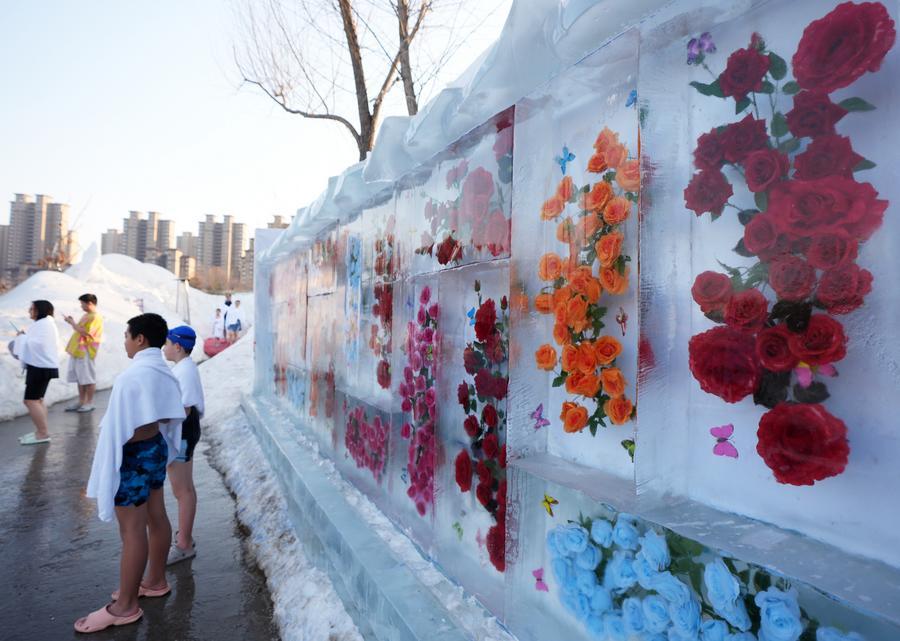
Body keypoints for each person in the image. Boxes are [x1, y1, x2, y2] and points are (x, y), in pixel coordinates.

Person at [75, 313, 186, 634]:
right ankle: (155, 581)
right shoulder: (162, 371)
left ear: (140, 339)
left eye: (127, 336)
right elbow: (167, 415)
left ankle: (125, 606)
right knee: (156, 516)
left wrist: (106, 466)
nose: (124, 341)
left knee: (132, 529)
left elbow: (119, 429)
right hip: (154, 448)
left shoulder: (132, 376)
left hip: (133, 457)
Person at [162, 325, 205, 565]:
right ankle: (185, 536)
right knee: (185, 488)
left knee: (182, 490)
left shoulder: (185, 370)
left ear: (177, 346)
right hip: (185, 431)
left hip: (183, 433)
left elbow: (184, 408)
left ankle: (184, 545)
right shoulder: (184, 367)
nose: (164, 348)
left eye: (167, 343)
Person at [11, 300, 60, 445]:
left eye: (32, 308)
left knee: (30, 401)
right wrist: (24, 336)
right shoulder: (46, 324)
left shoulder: (43, 324)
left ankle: (42, 433)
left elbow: (38, 344)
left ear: (39, 310)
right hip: (43, 366)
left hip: (40, 367)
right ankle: (41, 431)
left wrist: (22, 337)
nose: (29, 311)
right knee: (38, 400)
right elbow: (37, 342)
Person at [63, 293, 104, 413]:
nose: (81, 306)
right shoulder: (87, 315)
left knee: (88, 377)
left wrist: (72, 323)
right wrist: (72, 323)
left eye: (82, 303)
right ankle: (82, 401)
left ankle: (89, 402)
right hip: (79, 350)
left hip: (86, 350)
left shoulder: (95, 317)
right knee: (80, 378)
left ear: (89, 303)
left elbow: (86, 332)